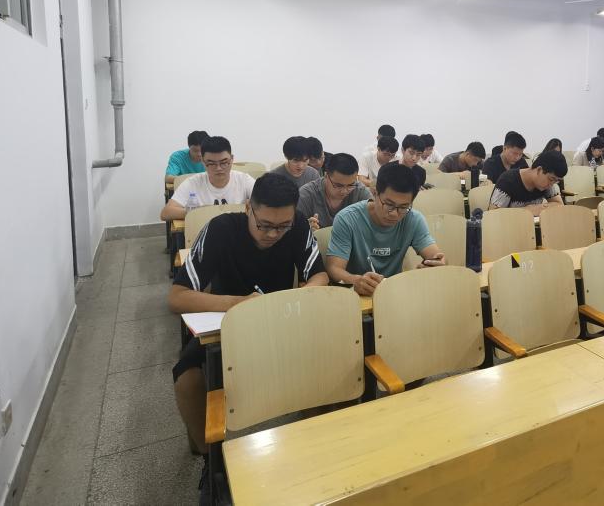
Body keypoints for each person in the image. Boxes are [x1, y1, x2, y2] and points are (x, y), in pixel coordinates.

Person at [167, 173, 328, 455]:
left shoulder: (298, 225)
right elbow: (177, 297)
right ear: (247, 209)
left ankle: (313, 441)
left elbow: (319, 276)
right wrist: (237, 303)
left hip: (279, 321)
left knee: (325, 362)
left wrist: (298, 297)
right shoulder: (220, 230)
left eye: (283, 226)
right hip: (225, 324)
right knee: (187, 377)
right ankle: (209, 457)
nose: (273, 234)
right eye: (264, 225)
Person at [325, 163, 446, 296]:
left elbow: (436, 257)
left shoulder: (414, 219)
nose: (394, 214)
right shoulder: (348, 219)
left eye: (403, 207)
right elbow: (334, 268)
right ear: (375, 193)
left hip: (394, 294)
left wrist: (438, 264)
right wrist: (355, 281)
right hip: (357, 296)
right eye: (389, 204)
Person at [160, 136, 255, 220]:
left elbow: (263, 204)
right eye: (212, 164)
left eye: (224, 162)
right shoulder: (192, 182)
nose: (218, 168)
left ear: (232, 159)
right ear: (203, 162)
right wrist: (199, 212)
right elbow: (166, 213)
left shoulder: (244, 180)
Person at [297, 153, 372, 230]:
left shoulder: (360, 191)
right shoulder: (306, 195)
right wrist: (305, 229)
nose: (344, 191)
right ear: (326, 176)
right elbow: (293, 229)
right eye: (338, 185)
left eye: (350, 185)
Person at [489, 151, 567, 216]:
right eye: (551, 179)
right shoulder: (507, 180)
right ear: (539, 170)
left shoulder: (547, 184)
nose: (551, 184)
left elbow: (559, 205)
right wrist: (527, 211)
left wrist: (537, 208)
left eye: (556, 181)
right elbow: (493, 214)